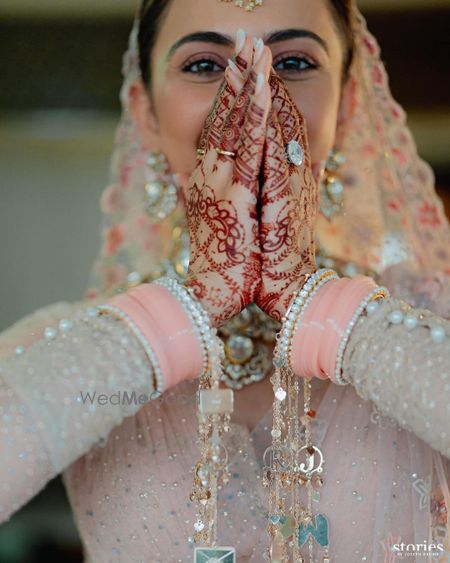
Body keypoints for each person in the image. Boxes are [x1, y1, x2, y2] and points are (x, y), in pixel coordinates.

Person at [1, 0, 449, 561]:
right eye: (205, 66)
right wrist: (191, 306)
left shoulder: (430, 316)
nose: (256, 97)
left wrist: (316, 307)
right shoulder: (76, 350)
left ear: (349, 101)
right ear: (144, 111)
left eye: (293, 62)